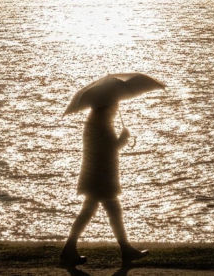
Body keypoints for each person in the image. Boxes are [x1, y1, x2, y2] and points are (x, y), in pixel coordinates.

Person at [60, 103, 148, 268]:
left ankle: (69, 249)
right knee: (111, 212)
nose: (115, 110)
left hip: (96, 176)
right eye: (114, 107)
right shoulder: (100, 125)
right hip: (100, 177)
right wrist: (122, 139)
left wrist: (120, 140)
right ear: (106, 108)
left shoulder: (96, 123)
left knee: (92, 212)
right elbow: (108, 149)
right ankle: (125, 250)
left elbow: (106, 148)